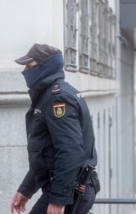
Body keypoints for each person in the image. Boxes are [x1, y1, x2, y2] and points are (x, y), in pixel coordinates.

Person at [10, 43, 100, 214]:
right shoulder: (54, 95)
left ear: (45, 66)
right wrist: (26, 189)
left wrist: (59, 200)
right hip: (71, 188)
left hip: (71, 191)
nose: (24, 71)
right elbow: (46, 154)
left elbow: (70, 151)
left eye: (29, 65)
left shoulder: (58, 99)